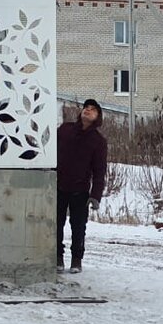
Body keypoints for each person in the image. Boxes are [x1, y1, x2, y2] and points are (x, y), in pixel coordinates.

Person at [56, 98, 108, 274]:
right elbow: (49, 150)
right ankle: (57, 257)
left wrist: (95, 195)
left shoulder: (98, 141)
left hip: (80, 190)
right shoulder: (65, 130)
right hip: (58, 186)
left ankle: (77, 260)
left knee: (78, 226)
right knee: (56, 224)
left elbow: (99, 171)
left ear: (98, 117)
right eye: (86, 107)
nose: (88, 110)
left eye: (93, 109)